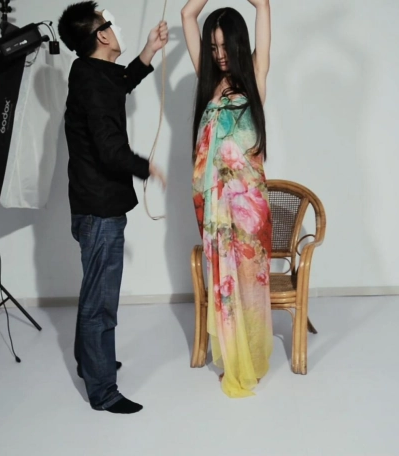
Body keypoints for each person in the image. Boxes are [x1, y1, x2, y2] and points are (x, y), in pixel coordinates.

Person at [58, 1, 168, 414]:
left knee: (94, 292)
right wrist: (146, 167)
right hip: (99, 210)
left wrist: (148, 51)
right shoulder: (92, 82)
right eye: (110, 23)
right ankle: (103, 391)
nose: (115, 28)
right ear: (102, 35)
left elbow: (119, 82)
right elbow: (109, 149)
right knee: (100, 303)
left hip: (92, 205)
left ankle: (90, 362)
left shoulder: (88, 71)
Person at [182, 0, 273, 398]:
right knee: (224, 287)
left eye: (225, 46)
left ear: (238, 44)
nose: (219, 55)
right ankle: (234, 359)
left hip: (248, 210)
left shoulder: (255, 77)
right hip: (214, 210)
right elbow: (187, 15)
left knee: (248, 287)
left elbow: (263, 6)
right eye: (213, 47)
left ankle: (249, 360)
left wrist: (262, 5)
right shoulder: (208, 82)